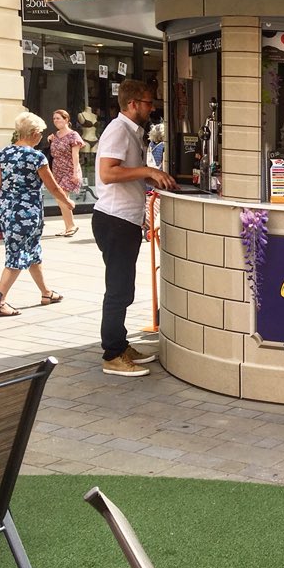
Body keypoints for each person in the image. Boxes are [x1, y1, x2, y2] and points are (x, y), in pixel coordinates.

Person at [93, 79, 175, 376]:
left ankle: (120, 343)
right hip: (115, 220)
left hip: (124, 218)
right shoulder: (118, 131)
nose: (151, 107)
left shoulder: (131, 132)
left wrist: (146, 179)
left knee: (123, 286)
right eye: (148, 102)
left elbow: (123, 173)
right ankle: (112, 355)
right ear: (132, 104)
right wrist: (147, 170)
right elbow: (107, 172)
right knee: (118, 289)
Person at [0, 111, 76, 317]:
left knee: (32, 251)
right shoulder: (36, 157)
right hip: (27, 211)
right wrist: (68, 202)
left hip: (7, 208)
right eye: (39, 132)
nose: (41, 136)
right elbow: (54, 188)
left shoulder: (4, 153)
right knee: (17, 255)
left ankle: (46, 293)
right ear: (33, 133)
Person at [46, 108, 83, 236]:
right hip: (57, 170)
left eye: (58, 118)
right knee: (59, 199)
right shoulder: (54, 136)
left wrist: (75, 173)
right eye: (54, 119)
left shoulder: (73, 136)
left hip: (69, 169)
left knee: (62, 198)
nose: (56, 121)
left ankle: (71, 226)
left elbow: (75, 155)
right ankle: (68, 226)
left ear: (66, 119)